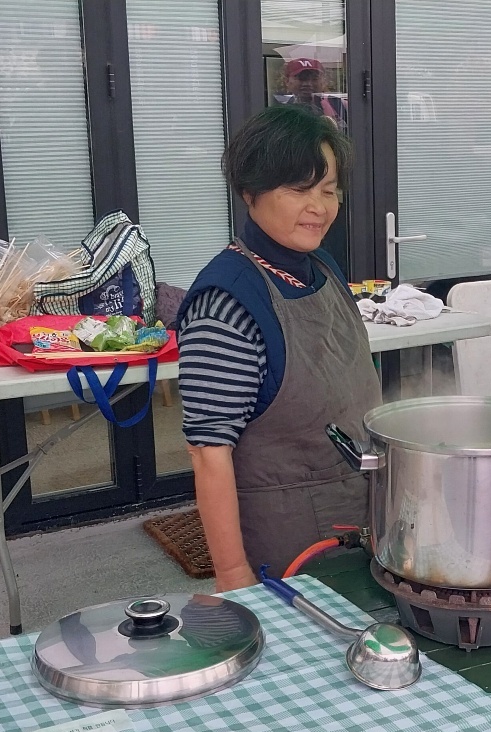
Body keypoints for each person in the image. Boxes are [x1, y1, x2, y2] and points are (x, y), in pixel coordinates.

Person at [174, 105, 381, 592]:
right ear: (251, 192)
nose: (319, 207)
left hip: (364, 516)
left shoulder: (323, 267)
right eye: (299, 189)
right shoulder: (226, 303)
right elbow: (208, 453)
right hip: (288, 545)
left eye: (328, 190)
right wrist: (233, 576)